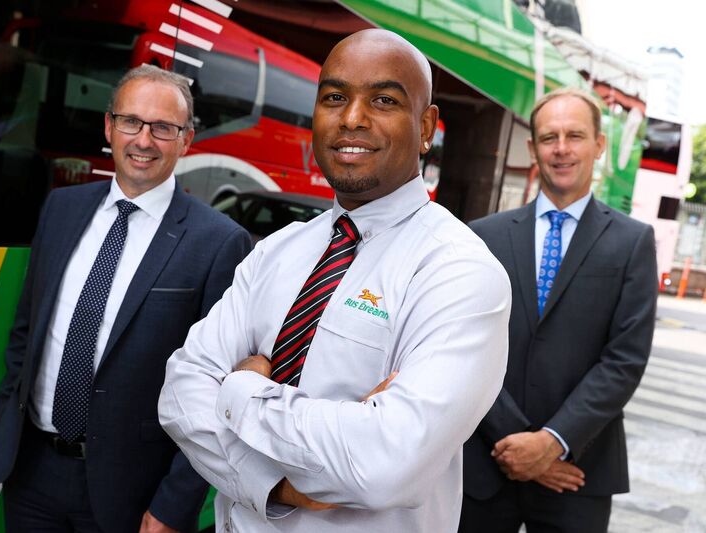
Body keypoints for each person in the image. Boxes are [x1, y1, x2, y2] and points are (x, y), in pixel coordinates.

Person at [158, 29, 510, 532]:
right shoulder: (277, 251)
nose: (351, 119)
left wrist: (240, 392)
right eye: (335, 97)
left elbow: (385, 465)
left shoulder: (459, 273)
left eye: (384, 99)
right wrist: (271, 485)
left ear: (426, 125)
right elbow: (180, 390)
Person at [0, 65, 252, 533]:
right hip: (31, 473)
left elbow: (219, 391)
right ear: (109, 126)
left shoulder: (219, 242)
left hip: (132, 491)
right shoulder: (61, 209)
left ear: (187, 140)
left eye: (163, 128)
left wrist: (174, 504)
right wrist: (9, 415)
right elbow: (26, 331)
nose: (143, 140)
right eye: (131, 121)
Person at [459, 87, 657, 533]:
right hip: (486, 465)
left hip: (578, 472)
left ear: (599, 145)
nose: (562, 149)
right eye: (549, 138)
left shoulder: (632, 242)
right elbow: (467, 347)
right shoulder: (482, 237)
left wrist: (552, 443)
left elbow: (624, 361)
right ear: (532, 149)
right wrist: (515, 445)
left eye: (575, 135)